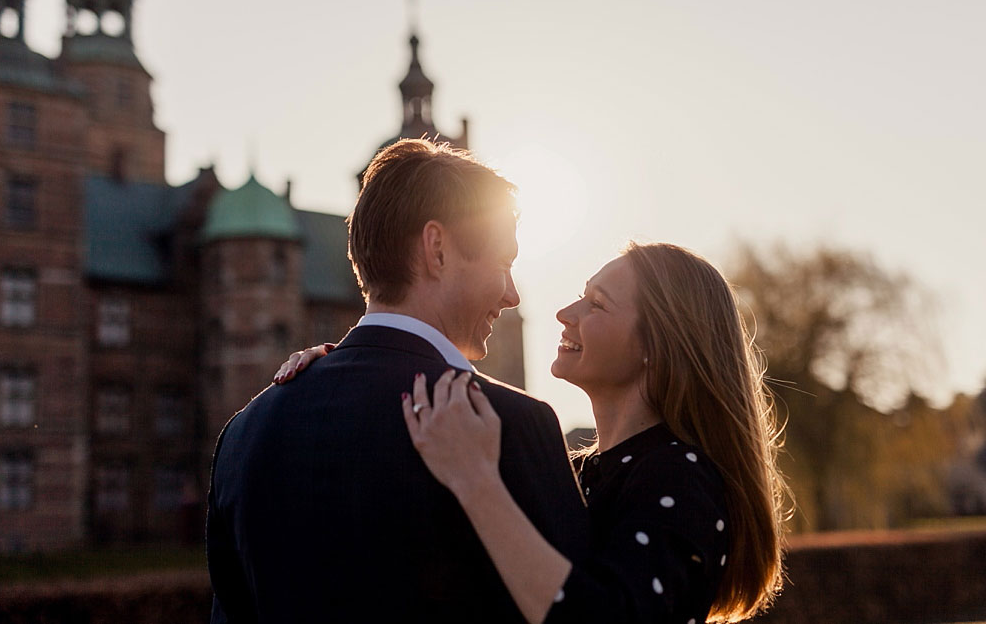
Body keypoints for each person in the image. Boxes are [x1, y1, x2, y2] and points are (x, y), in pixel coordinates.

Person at [278, 243, 789, 623]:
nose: (566, 314)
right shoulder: (572, 468)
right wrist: (348, 372)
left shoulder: (684, 478)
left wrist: (477, 483)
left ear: (658, 345)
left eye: (597, 303)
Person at [207, 139, 589, 623]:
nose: (512, 295)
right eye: (503, 263)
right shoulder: (509, 423)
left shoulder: (243, 432)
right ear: (437, 249)